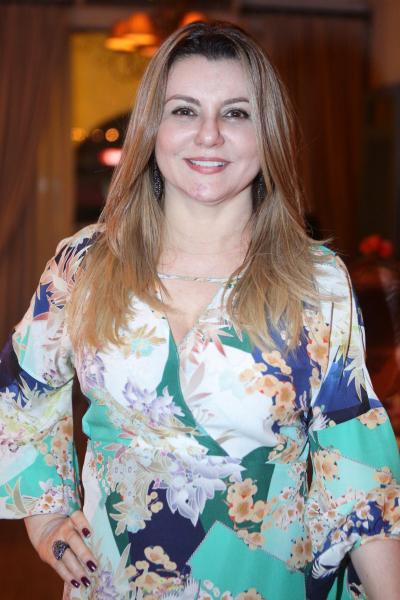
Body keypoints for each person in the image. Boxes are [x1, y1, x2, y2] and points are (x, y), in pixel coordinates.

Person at [0, 20, 399, 600]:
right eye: (184, 110)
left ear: (268, 133)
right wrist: (46, 518)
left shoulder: (316, 282)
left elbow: (357, 471)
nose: (209, 134)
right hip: (114, 583)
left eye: (236, 113)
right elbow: (21, 390)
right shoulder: (84, 264)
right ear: (152, 129)